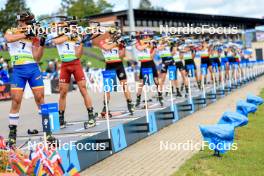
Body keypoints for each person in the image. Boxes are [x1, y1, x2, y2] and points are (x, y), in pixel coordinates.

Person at [4, 11, 49, 146]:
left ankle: (48, 132)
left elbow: (37, 57)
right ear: (22, 21)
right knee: (16, 100)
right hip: (18, 70)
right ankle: (12, 134)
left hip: (33, 68)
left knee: (40, 98)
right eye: (29, 21)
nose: (31, 24)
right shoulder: (11, 31)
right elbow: (9, 39)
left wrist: (42, 43)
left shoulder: (33, 34)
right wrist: (26, 34)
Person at [51, 23, 97, 128]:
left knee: (83, 89)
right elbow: (55, 41)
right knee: (62, 93)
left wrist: (81, 43)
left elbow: (78, 55)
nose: (75, 29)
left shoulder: (76, 36)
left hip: (75, 64)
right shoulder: (59, 34)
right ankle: (61, 119)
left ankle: (91, 116)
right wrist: (68, 35)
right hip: (64, 65)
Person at [97, 29, 134, 116]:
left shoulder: (118, 42)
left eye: (116, 34)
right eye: (113, 34)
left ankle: (129, 103)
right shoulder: (103, 41)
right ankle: (105, 107)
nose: (115, 36)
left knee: (124, 85)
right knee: (107, 88)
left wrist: (123, 46)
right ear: (109, 34)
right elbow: (106, 48)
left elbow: (121, 55)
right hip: (109, 65)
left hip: (118, 65)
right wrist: (116, 43)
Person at [135, 32, 163, 107]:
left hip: (150, 63)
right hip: (143, 64)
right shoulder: (138, 43)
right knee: (141, 83)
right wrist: (148, 44)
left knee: (156, 80)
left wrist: (154, 46)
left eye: (146, 37)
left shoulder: (151, 43)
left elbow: (151, 56)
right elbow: (140, 48)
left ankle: (160, 96)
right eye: (144, 37)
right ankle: (138, 99)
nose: (145, 38)